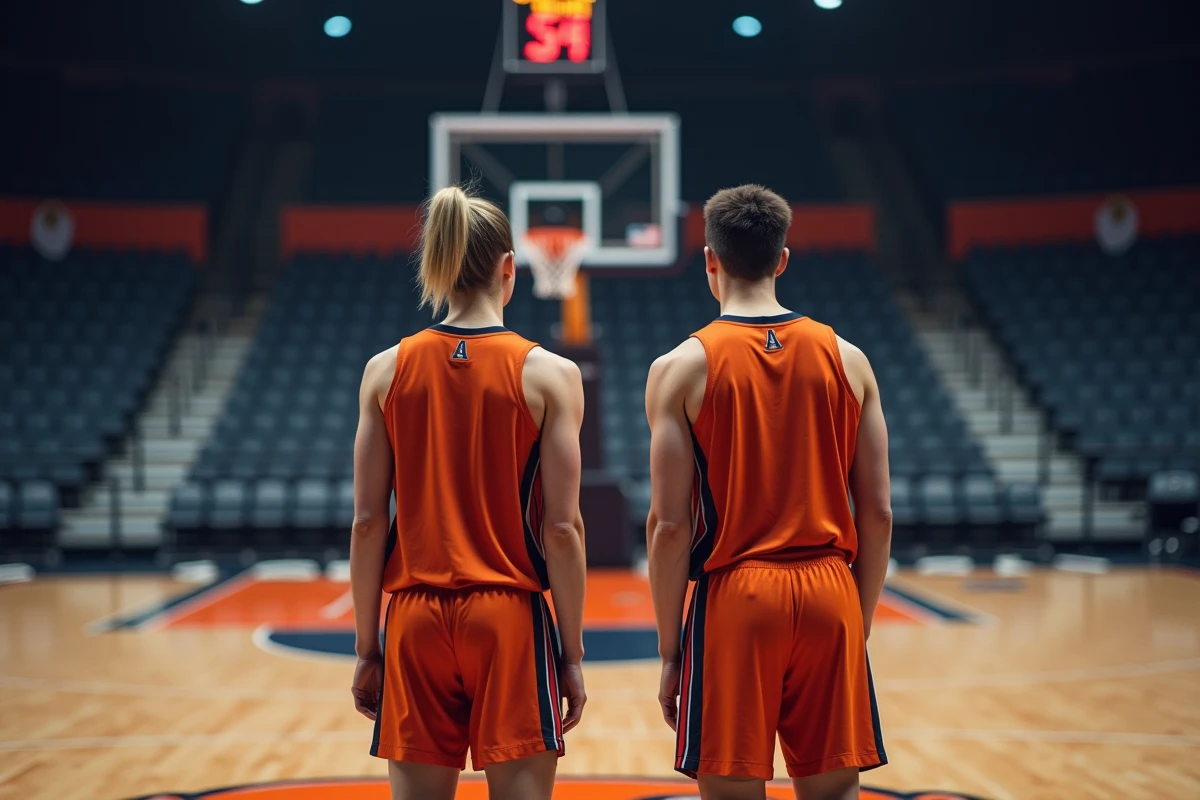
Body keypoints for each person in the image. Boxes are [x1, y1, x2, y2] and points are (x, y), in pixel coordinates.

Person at [644, 184, 891, 800]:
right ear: (783, 259)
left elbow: (670, 528)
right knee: (834, 792)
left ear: (710, 259)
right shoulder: (850, 360)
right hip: (831, 589)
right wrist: (853, 622)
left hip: (737, 597)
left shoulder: (680, 368)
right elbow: (879, 514)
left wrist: (672, 649)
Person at [349, 186, 588, 800]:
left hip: (414, 619)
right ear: (510, 269)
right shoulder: (551, 375)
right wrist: (571, 653)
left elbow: (369, 525)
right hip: (507, 615)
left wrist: (367, 648)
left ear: (438, 265)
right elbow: (562, 530)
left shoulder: (385, 371)